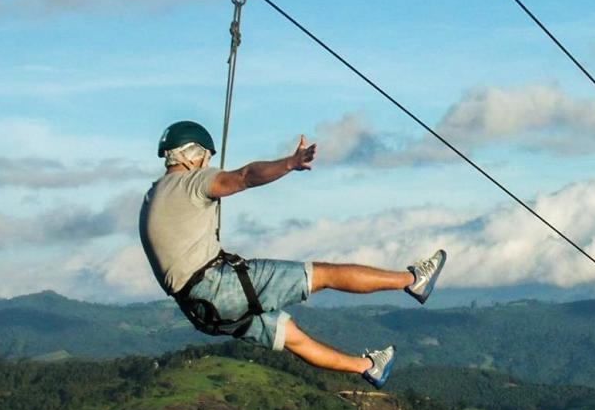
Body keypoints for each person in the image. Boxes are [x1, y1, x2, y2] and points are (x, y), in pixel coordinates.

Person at [139, 120, 445, 387]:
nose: (207, 164)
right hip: (221, 287)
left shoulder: (154, 195)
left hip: (200, 312)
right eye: (206, 157)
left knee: (293, 337)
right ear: (196, 154)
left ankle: (368, 367)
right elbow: (245, 176)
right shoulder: (192, 182)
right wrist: (290, 163)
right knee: (323, 274)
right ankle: (413, 279)